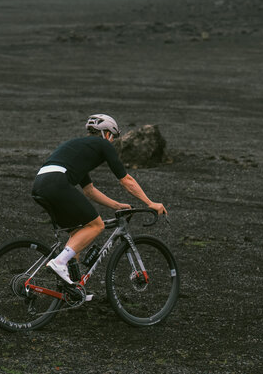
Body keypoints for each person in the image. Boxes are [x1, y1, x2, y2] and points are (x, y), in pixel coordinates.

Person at [32, 113, 167, 285]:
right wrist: (150, 203)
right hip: (57, 183)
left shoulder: (79, 148)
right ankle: (59, 262)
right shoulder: (103, 144)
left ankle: (72, 288)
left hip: (40, 184)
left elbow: (89, 190)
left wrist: (117, 205)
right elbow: (126, 180)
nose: (112, 141)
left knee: (77, 233)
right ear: (107, 134)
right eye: (113, 137)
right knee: (96, 225)